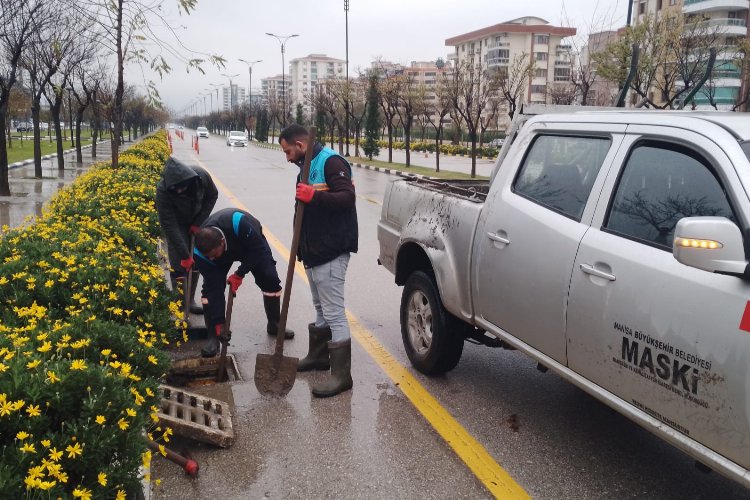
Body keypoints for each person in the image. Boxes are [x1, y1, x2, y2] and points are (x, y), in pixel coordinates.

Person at [278, 124, 358, 398]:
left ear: (300, 145)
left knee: (334, 312)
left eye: (288, 151)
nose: (287, 157)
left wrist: (315, 196)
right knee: (320, 307)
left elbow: (347, 198)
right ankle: (319, 357)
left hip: (332, 250)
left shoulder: (331, 162)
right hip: (313, 251)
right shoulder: (306, 165)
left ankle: (341, 375)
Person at [194, 208, 294, 358]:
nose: (212, 258)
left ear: (222, 242)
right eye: (209, 257)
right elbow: (214, 289)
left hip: (249, 246)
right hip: (223, 251)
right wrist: (220, 323)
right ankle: (213, 337)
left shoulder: (239, 223)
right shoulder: (202, 255)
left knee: (269, 277)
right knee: (209, 291)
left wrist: (239, 274)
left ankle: (275, 324)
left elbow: (258, 250)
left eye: (214, 255)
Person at [156, 156, 218, 314]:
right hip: (176, 223)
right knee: (179, 261)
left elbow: (212, 196)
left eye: (180, 188)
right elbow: (169, 224)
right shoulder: (163, 190)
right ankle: (179, 303)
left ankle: (189, 300)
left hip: (196, 219)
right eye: (175, 189)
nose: (178, 191)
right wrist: (184, 255)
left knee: (196, 259)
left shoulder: (201, 177)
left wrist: (198, 222)